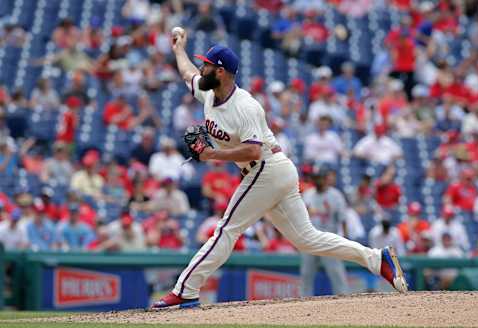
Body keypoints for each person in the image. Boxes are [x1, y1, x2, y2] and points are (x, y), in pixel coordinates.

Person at [151, 29, 408, 309]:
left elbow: (253, 149)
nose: (202, 68)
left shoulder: (245, 107)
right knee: (308, 239)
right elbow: (188, 74)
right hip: (273, 172)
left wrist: (211, 153)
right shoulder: (210, 93)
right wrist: (179, 49)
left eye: (208, 65)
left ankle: (186, 289)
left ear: (221, 72)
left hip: (266, 168)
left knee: (226, 229)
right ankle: (376, 258)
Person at [301, 165, 350, 295]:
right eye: (315, 178)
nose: (317, 180)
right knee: (306, 274)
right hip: (310, 240)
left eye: (320, 178)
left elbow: (343, 220)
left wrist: (345, 240)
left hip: (329, 240)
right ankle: (303, 303)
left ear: (325, 178)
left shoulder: (336, 195)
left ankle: (344, 301)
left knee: (337, 274)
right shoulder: (308, 194)